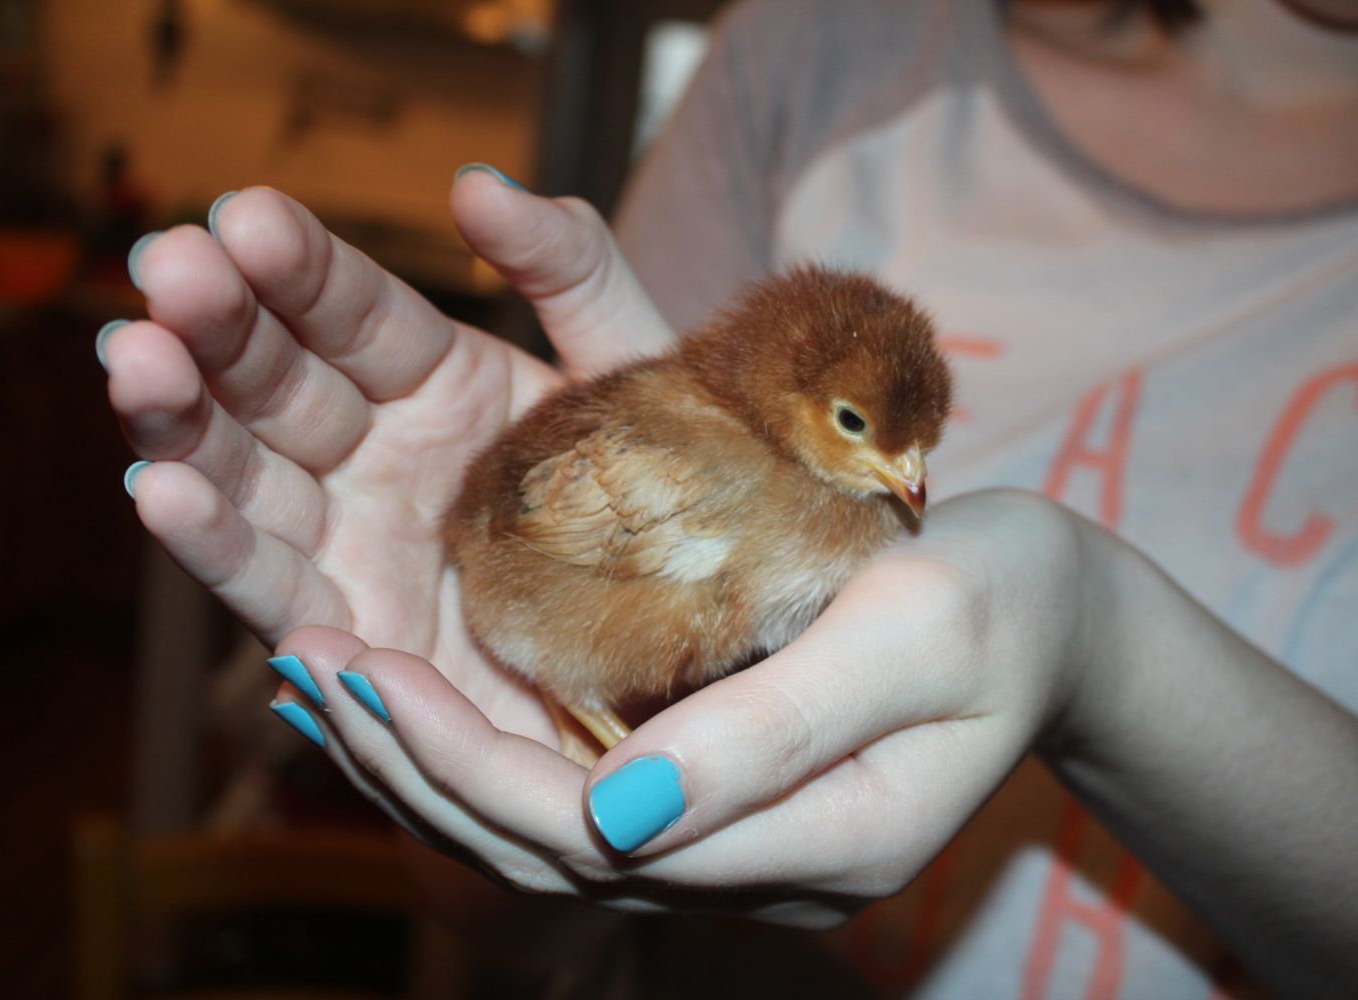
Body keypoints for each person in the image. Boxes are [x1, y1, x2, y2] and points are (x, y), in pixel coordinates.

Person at [101, 0, 1358, 994]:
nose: (915, 482)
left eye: (915, 447)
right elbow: (520, 907)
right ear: (798, 397)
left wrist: (1102, 646)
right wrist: (534, 836)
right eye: (864, 431)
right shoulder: (816, 47)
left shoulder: (818, 462)